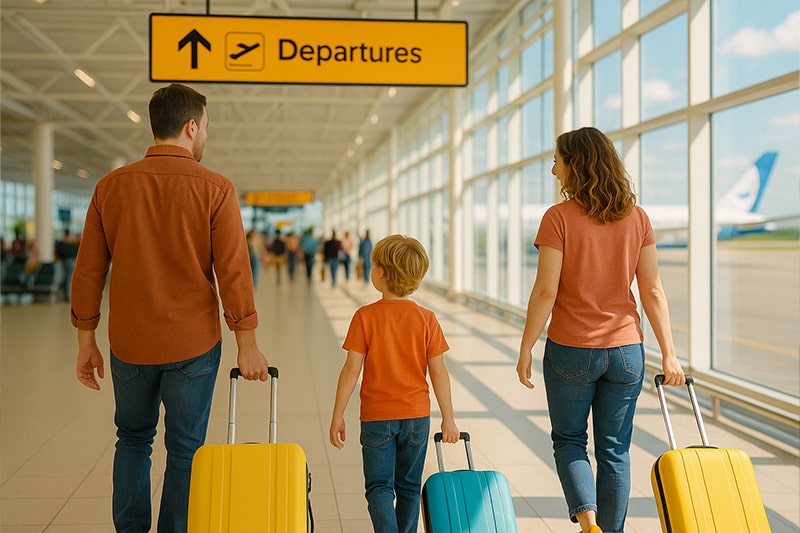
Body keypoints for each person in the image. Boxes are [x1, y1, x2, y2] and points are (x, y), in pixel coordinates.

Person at [70, 83, 270, 533]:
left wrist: (86, 341)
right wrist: (247, 344)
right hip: (192, 345)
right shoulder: (216, 188)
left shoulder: (110, 187)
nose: (206, 136)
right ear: (191, 126)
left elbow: (88, 271)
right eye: (206, 127)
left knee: (132, 439)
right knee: (185, 448)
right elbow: (234, 271)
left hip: (129, 344)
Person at [515, 127, 685, 533]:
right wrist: (670, 353)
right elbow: (652, 290)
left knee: (570, 440)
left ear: (576, 164)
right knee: (615, 451)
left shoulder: (558, 218)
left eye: (557, 161)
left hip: (572, 349)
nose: (553, 170)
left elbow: (545, 291)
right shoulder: (637, 217)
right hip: (626, 351)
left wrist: (526, 346)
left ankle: (588, 523)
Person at [329, 234, 460, 533]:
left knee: (379, 487)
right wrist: (448, 418)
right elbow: (439, 373)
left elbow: (351, 370)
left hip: (377, 418)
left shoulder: (364, 317)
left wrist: (338, 414)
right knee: (410, 487)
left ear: (382, 273)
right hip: (416, 416)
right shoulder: (427, 319)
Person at [55, 228, 80, 301]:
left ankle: (68, 295)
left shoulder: (63, 243)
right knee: (69, 279)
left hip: (66, 262)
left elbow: (59, 252)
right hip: (71, 262)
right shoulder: (73, 242)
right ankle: (69, 295)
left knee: (67, 279)